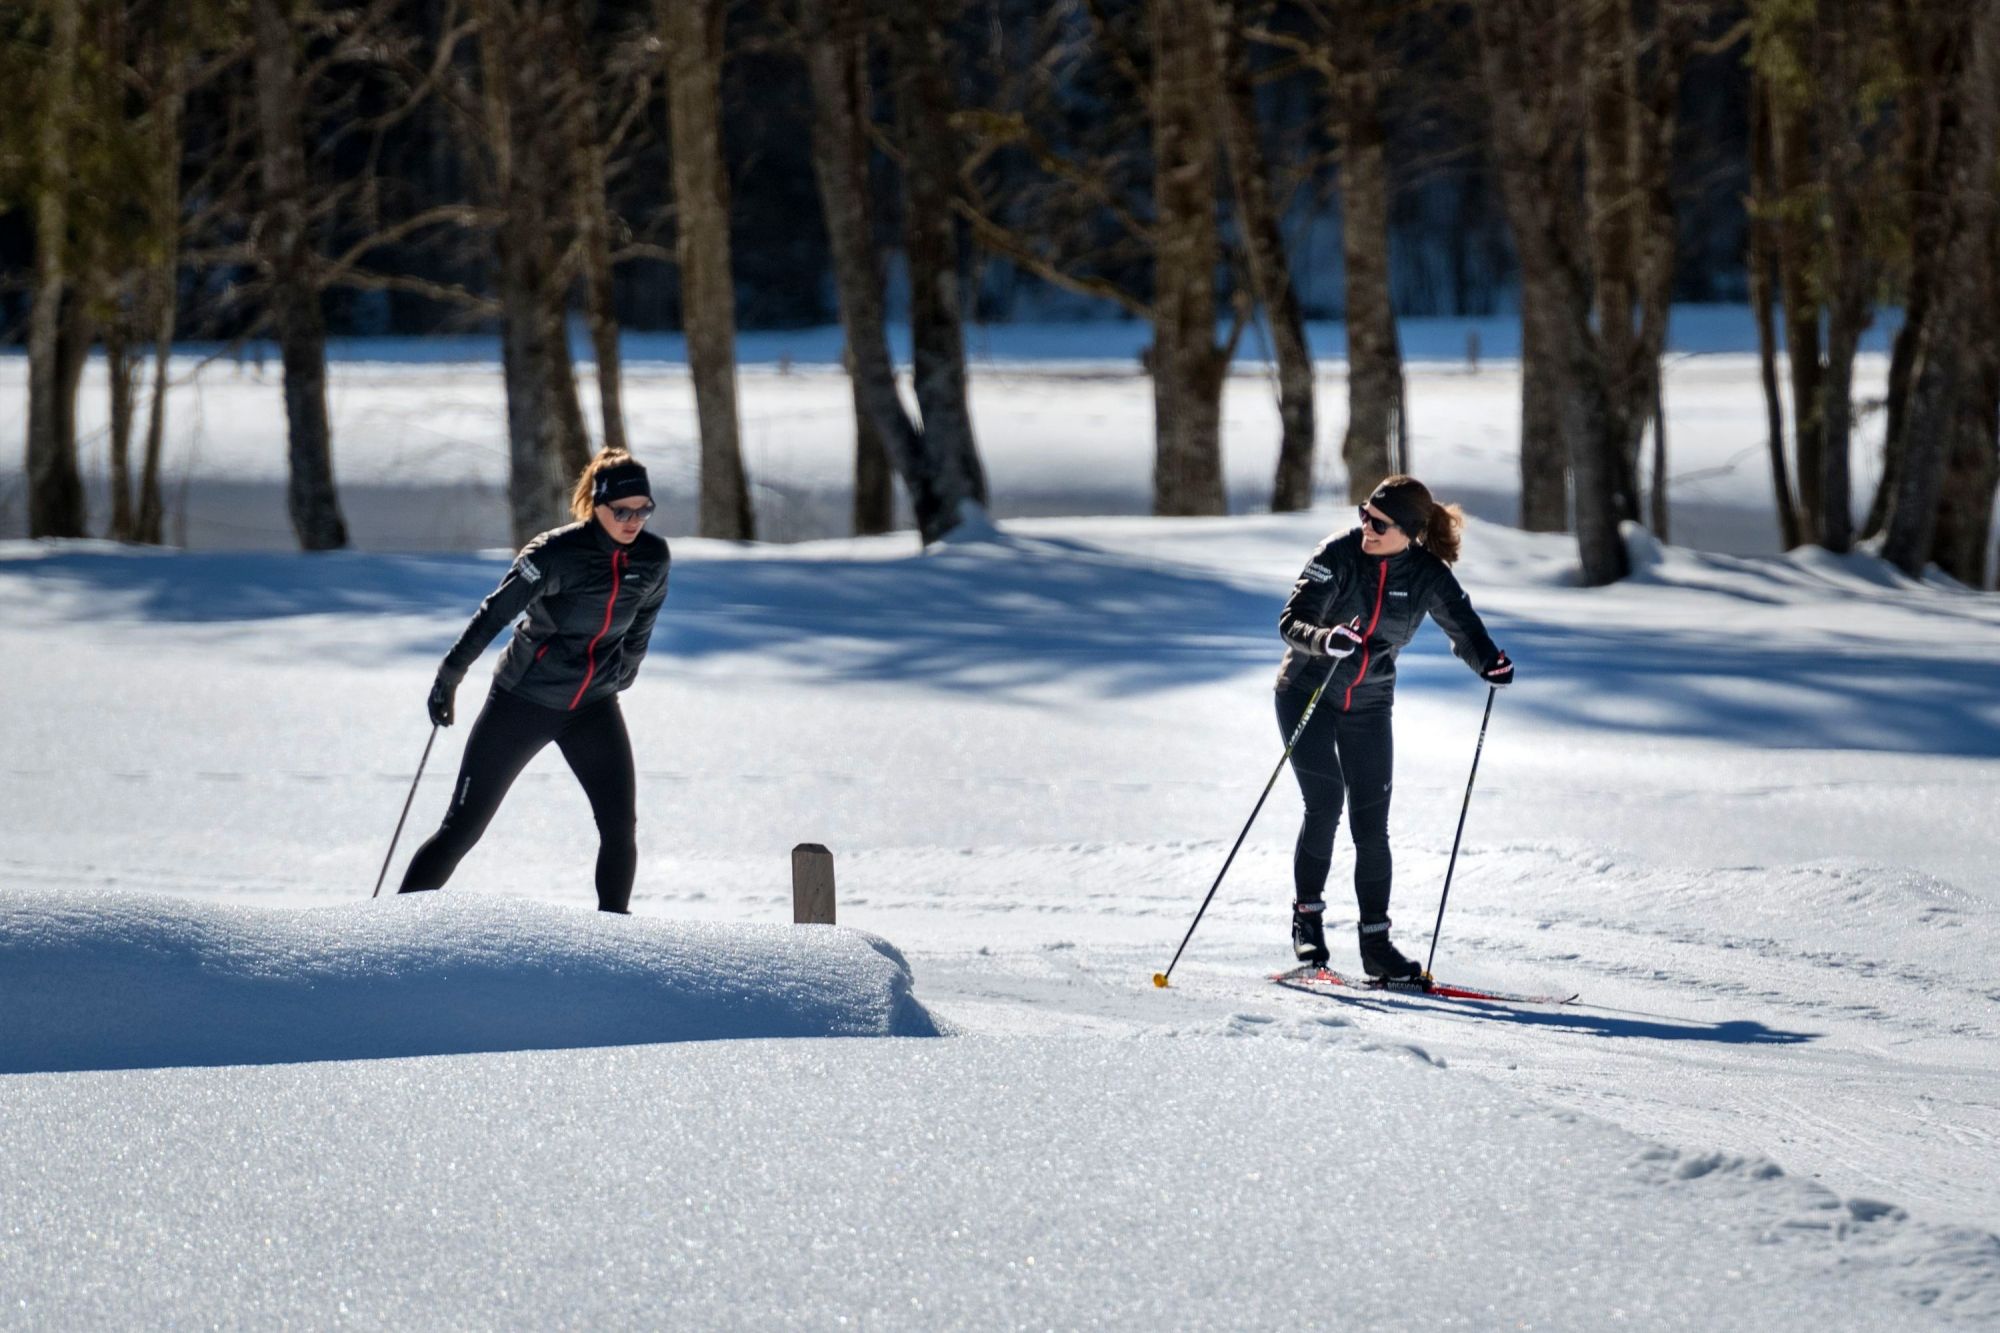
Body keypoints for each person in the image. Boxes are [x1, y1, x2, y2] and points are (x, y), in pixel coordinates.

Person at [398, 449, 671, 913]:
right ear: (597, 506)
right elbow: (495, 612)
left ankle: (615, 946)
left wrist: (626, 670)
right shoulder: (555, 553)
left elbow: (643, 618)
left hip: (592, 708)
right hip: (522, 701)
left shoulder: (652, 557)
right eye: (622, 510)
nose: (633, 520)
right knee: (462, 828)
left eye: (643, 509)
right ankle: (394, 927)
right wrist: (451, 673)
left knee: (619, 828)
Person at [1274, 475, 1513, 979]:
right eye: (1364, 513)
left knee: (1371, 825)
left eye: (1379, 522)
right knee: (1324, 803)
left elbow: (1464, 627)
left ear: (1408, 531)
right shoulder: (1337, 554)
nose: (1366, 525)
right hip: (1308, 691)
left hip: (1369, 703)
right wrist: (1324, 638)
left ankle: (1375, 945)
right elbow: (1292, 620)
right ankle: (1307, 924)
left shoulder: (1427, 574)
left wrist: (1489, 661)